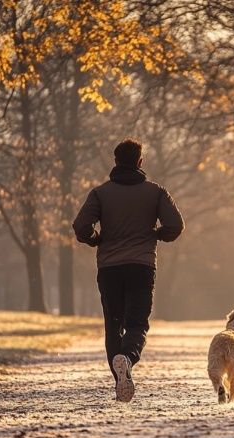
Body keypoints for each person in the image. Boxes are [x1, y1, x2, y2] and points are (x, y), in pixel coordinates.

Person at [72, 138, 184, 402]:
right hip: (142, 266)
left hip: (109, 267)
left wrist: (95, 238)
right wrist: (158, 234)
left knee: (113, 325)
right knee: (137, 322)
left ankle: (120, 380)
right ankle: (129, 359)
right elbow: (175, 226)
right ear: (140, 162)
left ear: (115, 161)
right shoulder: (156, 192)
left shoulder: (100, 193)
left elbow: (80, 227)